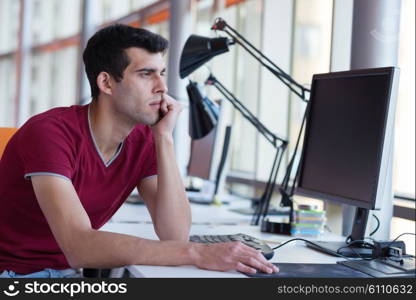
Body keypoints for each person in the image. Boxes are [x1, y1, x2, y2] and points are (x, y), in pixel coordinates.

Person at [0, 24, 278, 278]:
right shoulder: (50, 133)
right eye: (146, 74)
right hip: (14, 274)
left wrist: (164, 139)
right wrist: (198, 252)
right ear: (106, 83)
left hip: (65, 274)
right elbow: (78, 245)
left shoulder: (144, 138)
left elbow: (174, 233)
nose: (163, 87)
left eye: (162, 73)